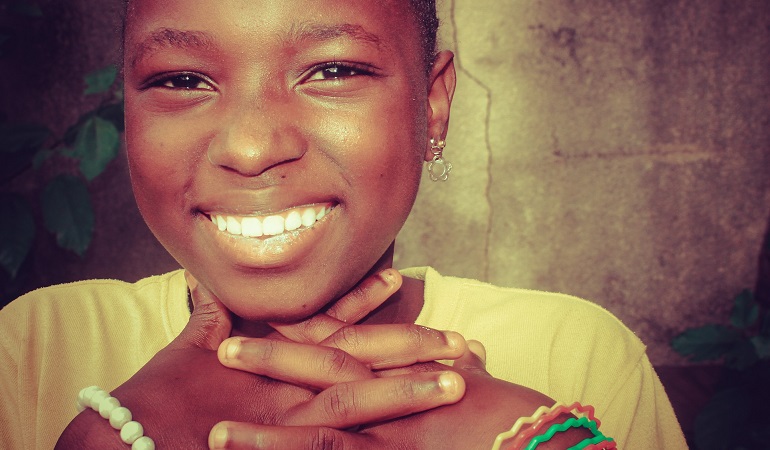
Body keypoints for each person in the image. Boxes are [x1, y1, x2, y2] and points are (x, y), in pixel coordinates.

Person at [0, 0, 687, 448]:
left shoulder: (576, 355)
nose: (250, 147)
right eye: (183, 80)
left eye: (332, 70)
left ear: (434, 107)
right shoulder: (32, 351)